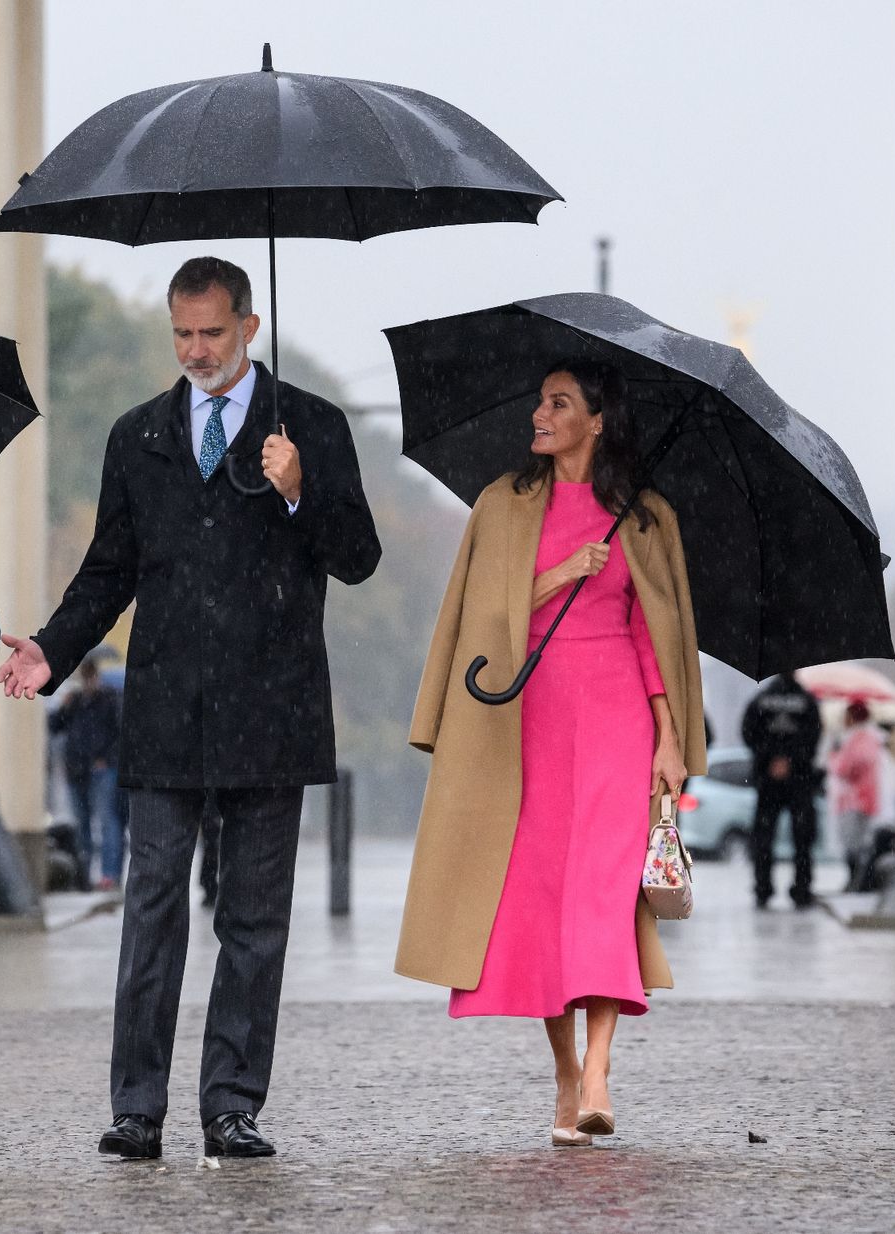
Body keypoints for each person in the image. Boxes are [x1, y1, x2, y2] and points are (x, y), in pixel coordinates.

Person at [0, 256, 380, 1160]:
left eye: (212, 332)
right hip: (167, 707)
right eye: (182, 333)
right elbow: (110, 568)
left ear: (250, 326)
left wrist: (299, 491)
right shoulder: (139, 436)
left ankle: (232, 1103)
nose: (196, 350)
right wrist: (54, 648)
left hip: (274, 707)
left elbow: (357, 555)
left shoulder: (312, 428)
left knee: (254, 918)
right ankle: (137, 1106)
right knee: (153, 906)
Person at [396, 360, 706, 1146]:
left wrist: (670, 736)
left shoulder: (644, 517)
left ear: (596, 423)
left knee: (603, 898)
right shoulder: (504, 505)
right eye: (540, 399)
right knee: (539, 903)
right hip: (525, 721)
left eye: (558, 403)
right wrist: (561, 573)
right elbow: (478, 612)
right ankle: (566, 1071)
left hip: (617, 722)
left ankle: (600, 1074)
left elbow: (653, 636)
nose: (540, 413)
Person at [742, 673, 823, 909]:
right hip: (799, 780)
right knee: (802, 838)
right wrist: (792, 759)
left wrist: (769, 758)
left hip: (768, 781)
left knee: (764, 837)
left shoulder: (762, 699)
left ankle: (763, 888)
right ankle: (801, 888)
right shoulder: (807, 701)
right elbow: (814, 735)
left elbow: (748, 732)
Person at [48, 654, 124, 889]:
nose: (88, 680)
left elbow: (120, 733)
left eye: (91, 675)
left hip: (102, 770)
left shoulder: (110, 699)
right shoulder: (75, 702)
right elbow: (54, 726)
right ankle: (85, 876)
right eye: (85, 675)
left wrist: (106, 759)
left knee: (107, 822)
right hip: (76, 771)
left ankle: (109, 875)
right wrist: (64, 707)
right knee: (82, 827)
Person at [828, 700, 886, 888]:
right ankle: (858, 880)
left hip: (856, 801)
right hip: (860, 799)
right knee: (857, 843)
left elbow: (847, 767)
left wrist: (835, 755)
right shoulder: (867, 738)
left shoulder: (861, 739)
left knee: (854, 844)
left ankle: (857, 881)